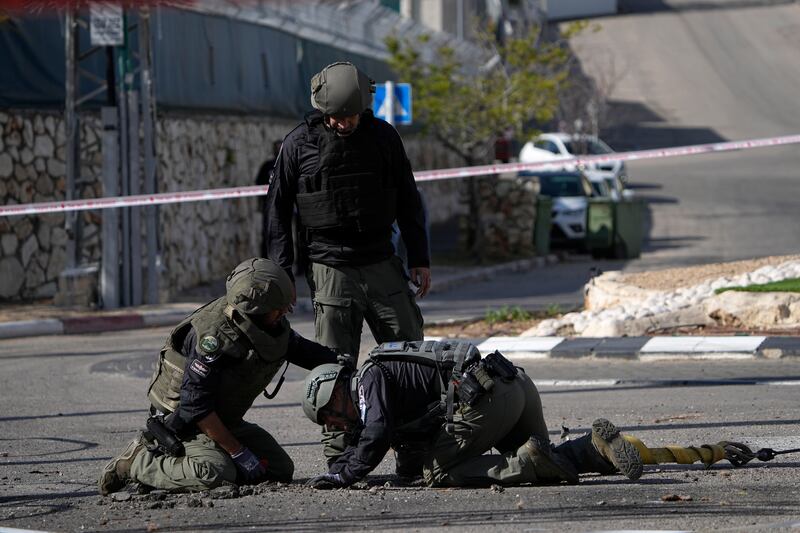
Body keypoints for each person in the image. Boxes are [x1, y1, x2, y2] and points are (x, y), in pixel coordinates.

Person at [98, 257, 338, 495]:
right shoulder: (213, 338)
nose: (286, 311)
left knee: (278, 469)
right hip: (185, 425)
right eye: (281, 308)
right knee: (214, 473)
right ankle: (137, 462)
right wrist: (237, 451)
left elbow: (302, 350)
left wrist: (346, 364)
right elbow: (195, 404)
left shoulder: (267, 325)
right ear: (258, 307)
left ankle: (206, 463)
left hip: (223, 420)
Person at [300, 340, 643, 489]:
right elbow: (389, 445)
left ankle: (530, 463)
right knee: (545, 456)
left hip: (488, 397)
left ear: (336, 392)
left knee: (435, 473)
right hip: (514, 383)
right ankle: (596, 449)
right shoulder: (384, 381)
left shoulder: (368, 380)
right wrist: (343, 465)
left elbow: (375, 434)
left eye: (330, 417)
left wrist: (342, 476)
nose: (334, 425)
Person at [263, 61, 430, 360]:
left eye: (349, 116)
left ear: (363, 109)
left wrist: (419, 257)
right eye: (335, 117)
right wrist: (283, 272)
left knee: (411, 354)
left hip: (380, 259)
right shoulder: (298, 145)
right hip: (330, 266)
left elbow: (408, 198)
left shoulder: (384, 138)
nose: (343, 123)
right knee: (334, 362)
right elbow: (277, 210)